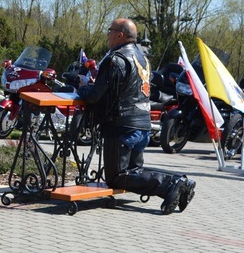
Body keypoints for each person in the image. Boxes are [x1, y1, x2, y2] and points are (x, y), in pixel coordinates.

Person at [77, 18, 196, 214]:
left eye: (110, 30)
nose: (108, 34)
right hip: (142, 123)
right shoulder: (142, 58)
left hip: (121, 125)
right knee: (134, 172)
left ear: (120, 35)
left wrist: (82, 88)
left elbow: (95, 95)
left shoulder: (115, 59)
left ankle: (171, 184)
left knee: (117, 176)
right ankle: (180, 182)